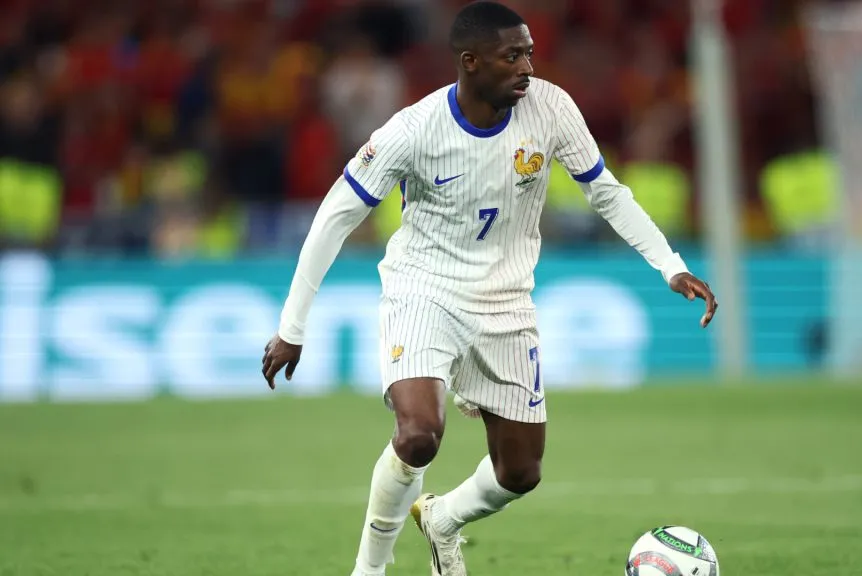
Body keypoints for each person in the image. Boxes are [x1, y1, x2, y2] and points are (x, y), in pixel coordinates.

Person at [261, 2, 718, 575]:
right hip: (423, 291)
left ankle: (444, 518)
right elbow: (334, 217)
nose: (528, 66)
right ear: (471, 63)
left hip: (506, 303)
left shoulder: (551, 109)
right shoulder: (414, 129)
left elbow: (606, 191)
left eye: (529, 51)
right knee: (420, 434)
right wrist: (292, 327)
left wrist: (669, 265)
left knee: (521, 472)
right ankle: (369, 570)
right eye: (513, 55)